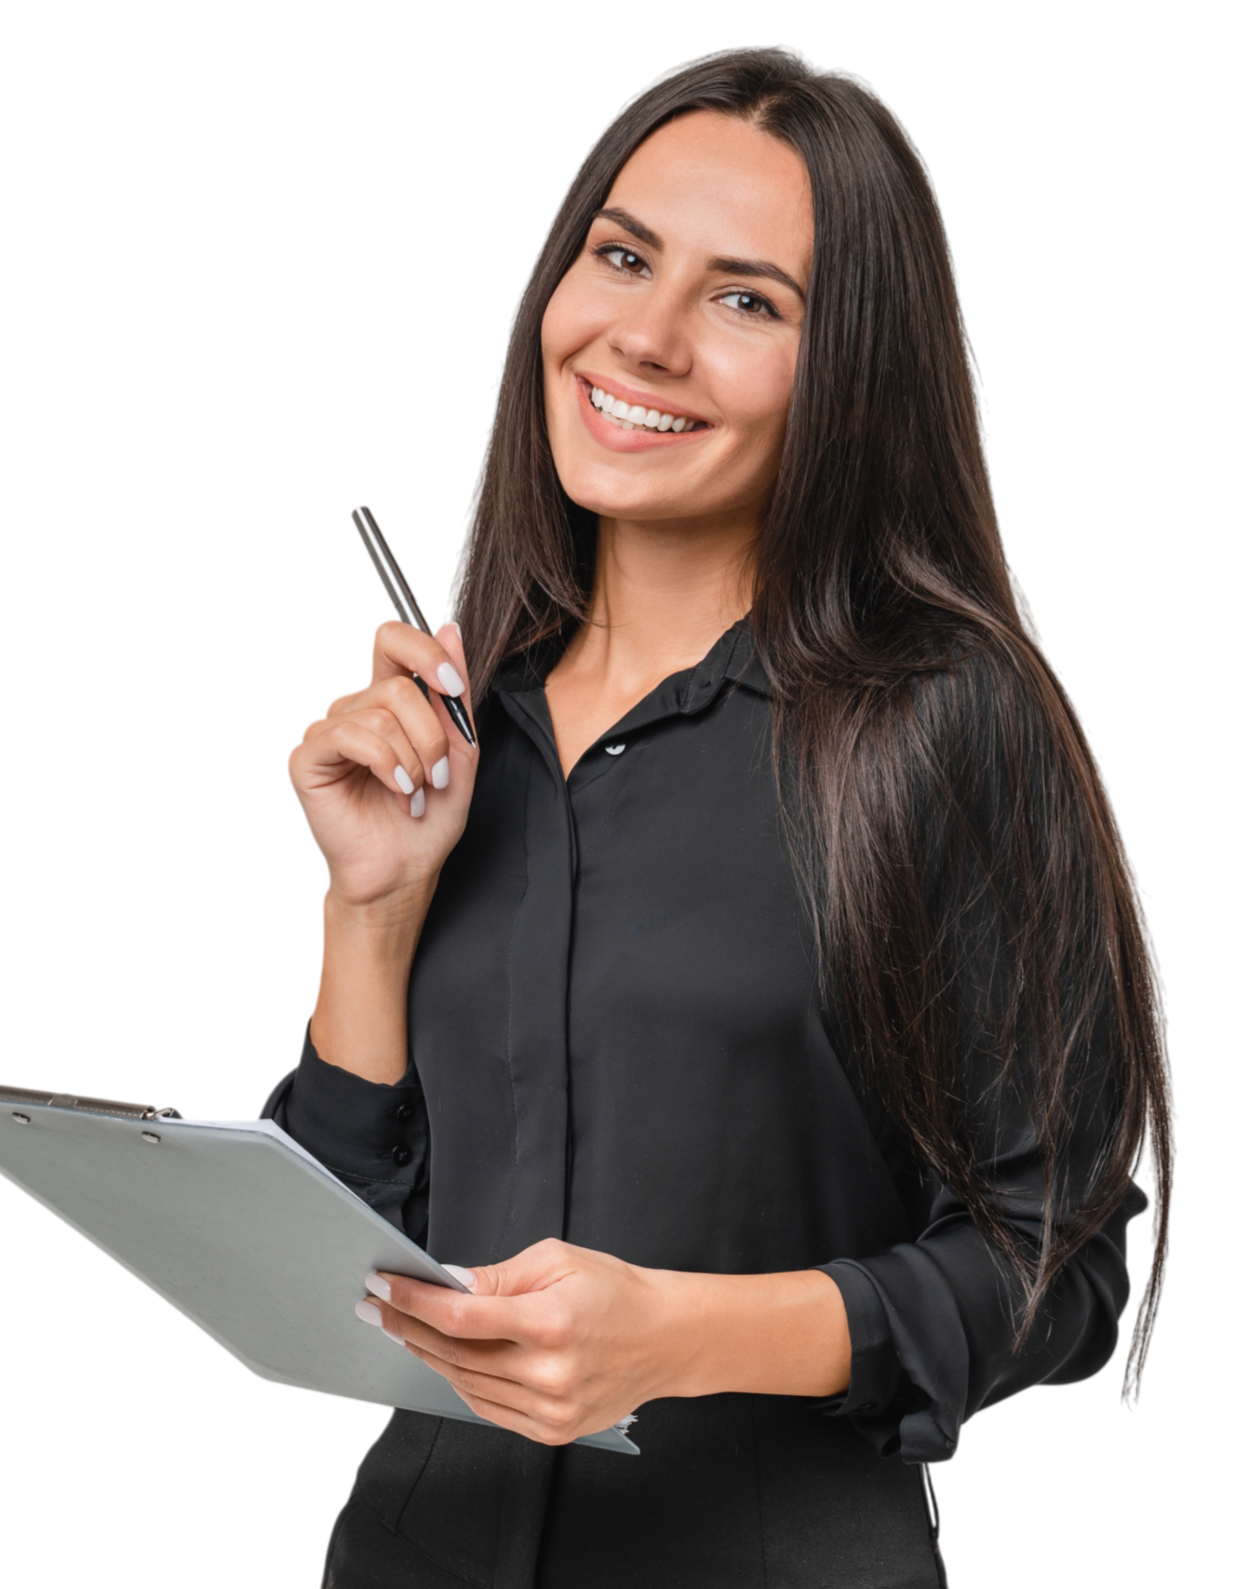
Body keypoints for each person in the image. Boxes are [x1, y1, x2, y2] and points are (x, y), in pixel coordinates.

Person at [277, 45, 1174, 1589]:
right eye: (624, 258)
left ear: (852, 376)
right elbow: (339, 1278)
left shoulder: (941, 724)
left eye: (748, 300)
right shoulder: (465, 730)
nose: (645, 336)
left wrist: (685, 1334)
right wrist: (369, 907)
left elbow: (1067, 1266)